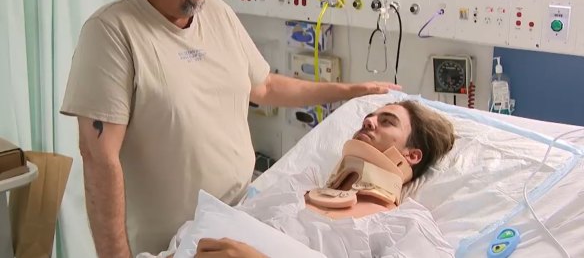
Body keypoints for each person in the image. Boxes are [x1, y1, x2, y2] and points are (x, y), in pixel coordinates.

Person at [60, 0, 400, 257]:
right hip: (171, 244)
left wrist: (349, 90)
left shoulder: (217, 14)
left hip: (241, 218)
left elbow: (266, 86)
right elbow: (99, 157)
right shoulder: (112, 32)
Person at [153, 100, 456, 258]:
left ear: (412, 156)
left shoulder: (406, 225)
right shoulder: (297, 187)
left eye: (387, 121)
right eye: (370, 116)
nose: (368, 120)